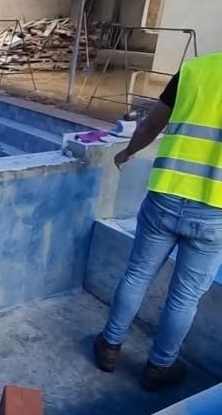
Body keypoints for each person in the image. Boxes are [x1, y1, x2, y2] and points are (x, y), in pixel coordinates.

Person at [94, 51, 222, 391]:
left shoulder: (195, 70)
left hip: (165, 194)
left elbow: (152, 124)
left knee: (137, 274)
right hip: (214, 212)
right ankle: (159, 367)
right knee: (185, 298)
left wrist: (127, 152)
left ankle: (109, 346)